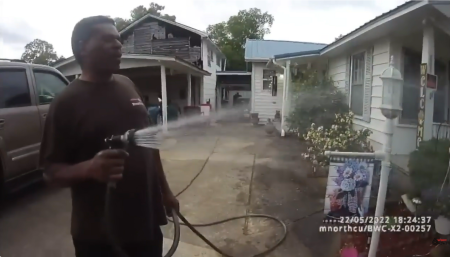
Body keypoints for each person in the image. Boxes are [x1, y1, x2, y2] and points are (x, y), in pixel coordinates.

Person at [39, 16, 179, 257]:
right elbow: (50, 172)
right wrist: (89, 168)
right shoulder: (66, 103)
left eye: (118, 40)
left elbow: (149, 144)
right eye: (107, 39)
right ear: (83, 47)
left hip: (146, 223)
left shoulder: (127, 84)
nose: (118, 45)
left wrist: (165, 191)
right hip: (99, 236)